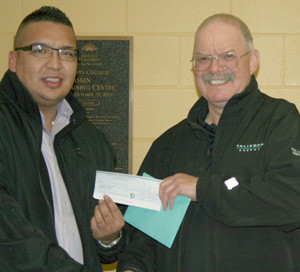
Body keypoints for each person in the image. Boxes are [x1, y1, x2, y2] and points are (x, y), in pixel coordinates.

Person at [117, 13, 300, 272]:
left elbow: (292, 200)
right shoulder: (168, 143)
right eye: (203, 58)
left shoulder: (280, 121)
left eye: (228, 56)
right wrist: (131, 268)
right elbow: (143, 236)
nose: (214, 68)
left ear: (253, 61)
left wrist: (201, 189)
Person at [0, 6, 127, 271]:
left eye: (67, 53)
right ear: (13, 60)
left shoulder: (93, 142)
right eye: (40, 50)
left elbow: (103, 251)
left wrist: (108, 239)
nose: (55, 64)